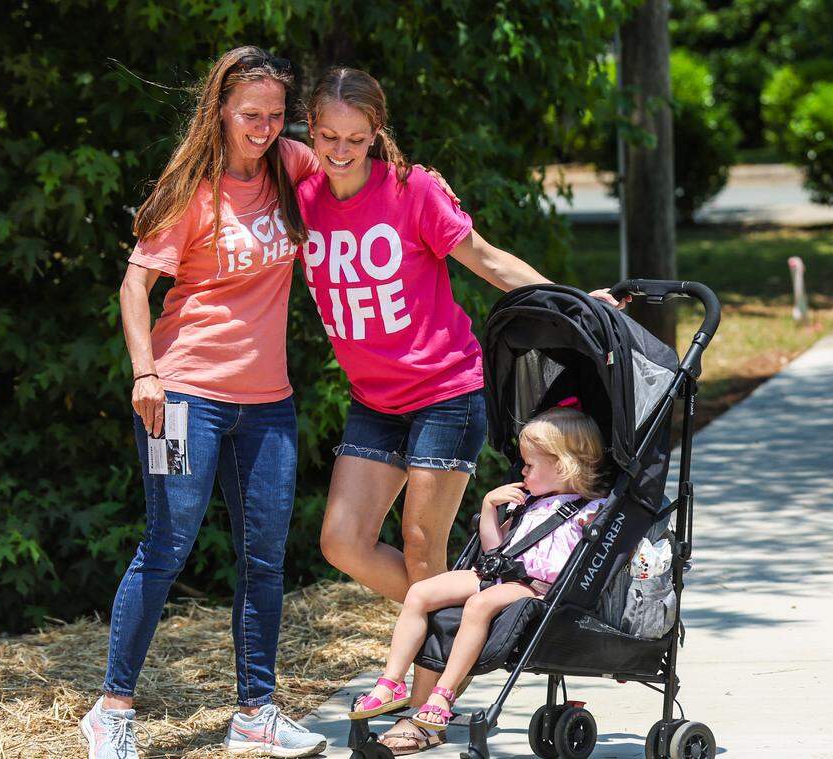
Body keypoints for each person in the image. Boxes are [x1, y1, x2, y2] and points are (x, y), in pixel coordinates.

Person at [296, 69, 620, 752]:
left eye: (357, 137)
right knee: (342, 541)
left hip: (445, 389)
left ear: (377, 132)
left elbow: (488, 259)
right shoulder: (301, 191)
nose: (342, 149)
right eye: (328, 136)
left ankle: (425, 710)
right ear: (310, 129)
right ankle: (468, 613)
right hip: (373, 400)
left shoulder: (414, 190)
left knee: (420, 545)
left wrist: (577, 305)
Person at [80, 46, 328, 759]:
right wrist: (145, 375)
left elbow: (357, 167)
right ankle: (112, 709)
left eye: (277, 116)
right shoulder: (190, 187)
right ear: (220, 108)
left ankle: (255, 714)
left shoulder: (292, 163)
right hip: (183, 395)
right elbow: (135, 287)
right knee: (167, 544)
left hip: (268, 406)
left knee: (265, 559)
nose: (264, 127)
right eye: (252, 115)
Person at [349, 406, 608, 730]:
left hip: (534, 586)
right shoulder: (527, 502)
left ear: (561, 465)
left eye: (529, 465)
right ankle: (391, 682)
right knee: (419, 592)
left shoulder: (590, 511)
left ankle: (443, 694)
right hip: (498, 574)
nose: (522, 473)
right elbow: (494, 550)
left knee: (479, 604)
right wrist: (489, 506)